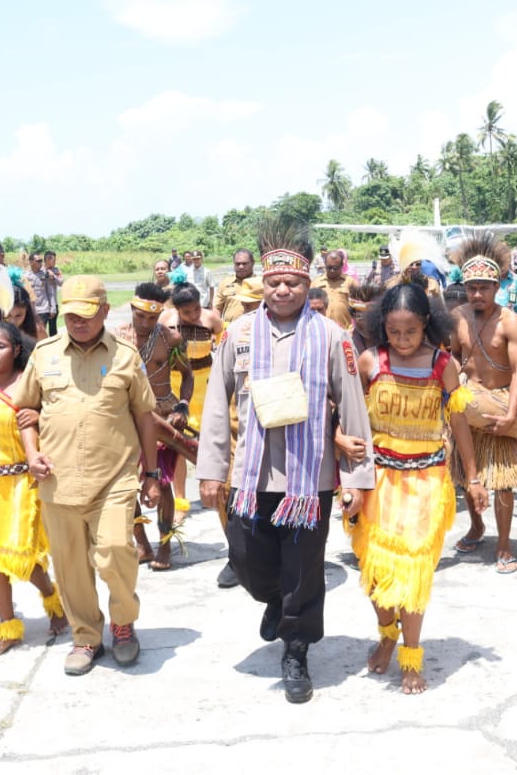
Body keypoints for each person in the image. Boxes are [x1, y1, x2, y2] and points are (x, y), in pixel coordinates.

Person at [196, 216, 374, 704]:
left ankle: (296, 648)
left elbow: (351, 406)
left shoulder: (331, 336)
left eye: (292, 282)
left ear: (307, 283)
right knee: (247, 561)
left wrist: (357, 479)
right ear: (262, 284)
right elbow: (217, 403)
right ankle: (272, 601)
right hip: (253, 475)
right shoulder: (239, 333)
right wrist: (211, 471)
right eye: (273, 282)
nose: (282, 290)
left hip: (309, 478)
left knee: (303, 570)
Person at [14, 275, 161, 676]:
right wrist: (32, 454)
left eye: (86, 314)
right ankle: (85, 637)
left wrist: (151, 473)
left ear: (104, 311)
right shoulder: (44, 355)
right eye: (70, 314)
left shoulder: (126, 356)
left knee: (115, 550)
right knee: (71, 566)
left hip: (113, 478)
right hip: (57, 480)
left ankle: (123, 623)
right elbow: (24, 411)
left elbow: (145, 418)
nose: (77, 322)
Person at [350, 283, 486, 694]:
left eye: (411, 331)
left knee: (411, 574)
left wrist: (474, 478)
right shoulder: (370, 360)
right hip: (376, 482)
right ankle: (386, 632)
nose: (404, 340)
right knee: (375, 573)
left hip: (426, 482)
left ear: (427, 324)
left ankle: (411, 657)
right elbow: (350, 415)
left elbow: (459, 421)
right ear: (381, 328)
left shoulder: (443, 365)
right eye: (394, 332)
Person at [0, 319, 68, 657]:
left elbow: (43, 428)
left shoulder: (27, 385)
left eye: (1, 346)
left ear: (17, 350)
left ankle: (53, 600)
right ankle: (8, 626)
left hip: (22, 485)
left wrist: (37, 439)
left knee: (24, 558)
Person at [448, 233, 517, 574]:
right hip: (468, 405)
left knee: (504, 481)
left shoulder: (510, 321)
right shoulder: (457, 317)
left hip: (500, 405)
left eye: (484, 287)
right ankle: (477, 527)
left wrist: (511, 414)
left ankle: (505, 544)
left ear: (497, 286)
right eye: (471, 287)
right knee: (470, 475)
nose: (477, 294)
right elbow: (452, 358)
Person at [113, 282, 194, 572]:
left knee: (161, 484)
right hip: (127, 420)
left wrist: (183, 406)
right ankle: (142, 544)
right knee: (126, 486)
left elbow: (187, 376)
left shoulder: (171, 339)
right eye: (140, 316)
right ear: (132, 309)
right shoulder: (115, 339)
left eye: (152, 317)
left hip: (163, 417)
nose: (146, 323)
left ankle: (165, 544)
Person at [161, 283, 224, 511]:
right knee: (177, 441)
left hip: (206, 384)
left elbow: (225, 343)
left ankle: (210, 491)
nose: (193, 315)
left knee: (207, 441)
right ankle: (180, 500)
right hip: (175, 384)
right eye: (186, 312)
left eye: (196, 309)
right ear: (176, 308)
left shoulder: (211, 319)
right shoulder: (165, 319)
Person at [312, 249, 358, 328]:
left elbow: (359, 306)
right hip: (322, 329)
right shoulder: (316, 283)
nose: (332, 271)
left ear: (342, 265)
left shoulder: (350, 282)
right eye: (329, 267)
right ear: (325, 264)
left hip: (344, 330)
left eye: (335, 268)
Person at [216, 248, 256, 325]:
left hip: (252, 328)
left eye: (244, 263)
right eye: (237, 264)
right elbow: (217, 309)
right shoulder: (225, 283)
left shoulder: (260, 283)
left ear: (253, 263)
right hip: (229, 329)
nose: (241, 266)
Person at [28, 253, 62, 339]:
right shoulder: (26, 276)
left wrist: (53, 307)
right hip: (32, 309)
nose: (40, 262)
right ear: (31, 262)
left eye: (41, 261)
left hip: (44, 308)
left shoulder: (47, 273)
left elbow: (51, 291)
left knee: (45, 330)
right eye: (38, 261)